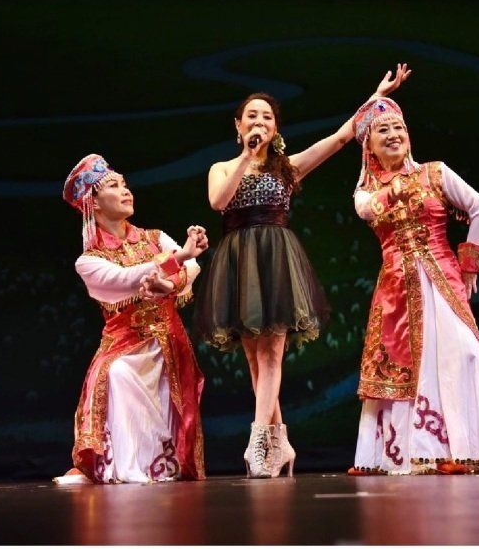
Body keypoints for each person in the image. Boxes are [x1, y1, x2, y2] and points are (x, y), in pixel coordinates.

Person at [196, 64, 413, 478]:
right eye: (252, 116)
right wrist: (246, 158)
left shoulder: (288, 167)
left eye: (267, 116)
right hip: (240, 263)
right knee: (254, 359)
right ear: (238, 125)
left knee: (271, 352)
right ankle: (281, 443)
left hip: (277, 260)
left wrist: (375, 97)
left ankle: (259, 443)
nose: (259, 121)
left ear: (275, 127)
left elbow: (342, 136)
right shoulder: (221, 167)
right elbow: (219, 202)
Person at [345, 95, 479, 476]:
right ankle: (407, 454)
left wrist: (471, 265)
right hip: (397, 289)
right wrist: (390, 191)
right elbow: (367, 209)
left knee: (463, 352)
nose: (393, 135)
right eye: (383, 130)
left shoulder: (435, 173)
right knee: (407, 365)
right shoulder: (365, 190)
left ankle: (458, 448)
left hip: (443, 280)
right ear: (369, 145)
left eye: (399, 127)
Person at [56, 154, 210, 484]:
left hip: (167, 343)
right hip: (124, 346)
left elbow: (193, 269)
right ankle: (125, 468)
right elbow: (125, 279)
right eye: (114, 186)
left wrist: (169, 285)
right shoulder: (89, 261)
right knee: (118, 374)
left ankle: (161, 466)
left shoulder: (155, 238)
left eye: (125, 184)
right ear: (94, 202)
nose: (126, 190)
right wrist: (181, 255)